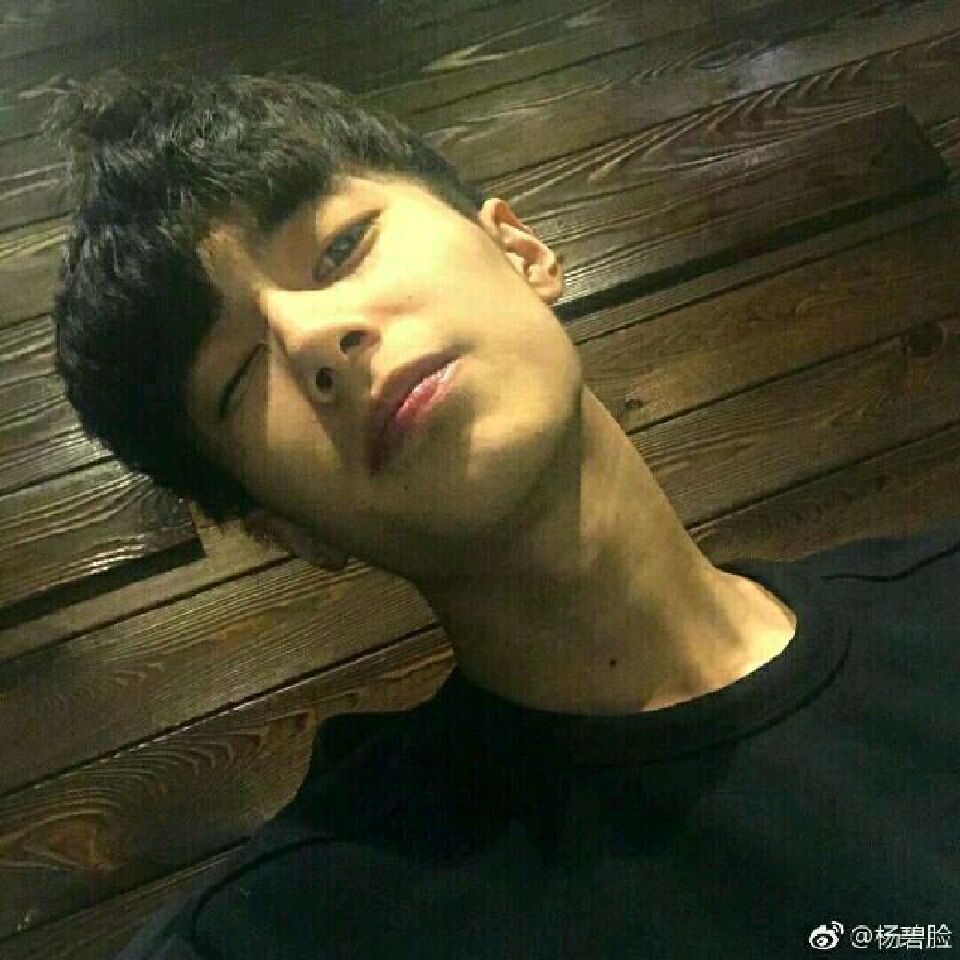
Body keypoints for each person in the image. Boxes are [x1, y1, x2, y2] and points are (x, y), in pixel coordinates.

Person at [48, 74, 957, 960]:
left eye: (341, 247)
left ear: (521, 251)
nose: (313, 336)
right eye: (239, 379)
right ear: (285, 530)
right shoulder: (282, 932)